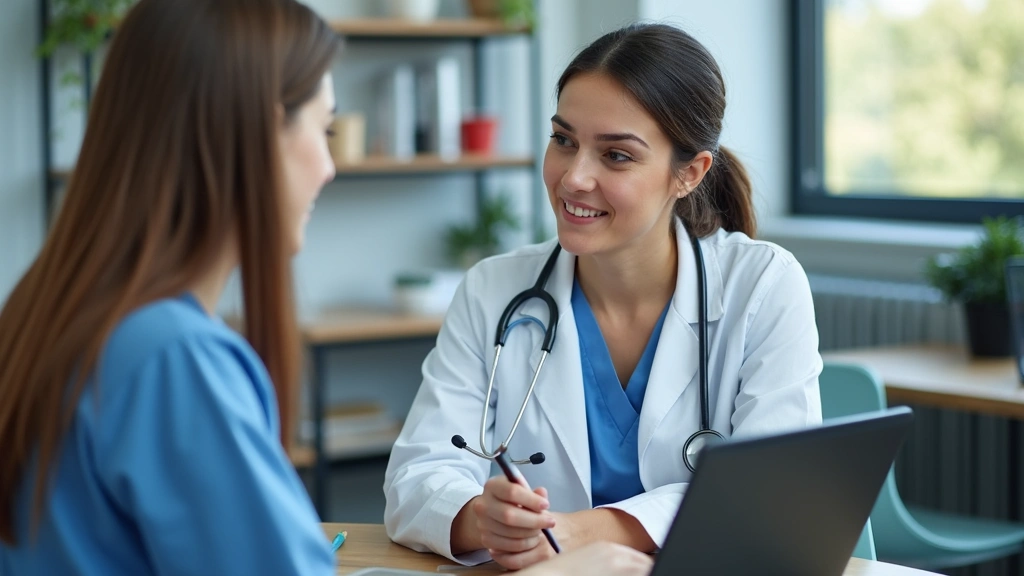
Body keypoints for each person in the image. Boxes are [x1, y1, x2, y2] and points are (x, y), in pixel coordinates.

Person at [0, 1, 652, 575]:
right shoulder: (174, 360)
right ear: (252, 136)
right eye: (325, 130)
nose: (331, 165)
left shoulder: (49, 314)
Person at [383, 22, 824, 571]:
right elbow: (415, 476)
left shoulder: (763, 286)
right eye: (563, 140)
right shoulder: (495, 290)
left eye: (616, 156)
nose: (573, 178)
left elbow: (769, 496)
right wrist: (482, 517)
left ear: (688, 173)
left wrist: (581, 531)